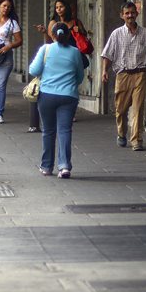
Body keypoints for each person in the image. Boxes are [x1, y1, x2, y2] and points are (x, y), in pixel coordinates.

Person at [29, 23, 88, 177]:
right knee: (64, 130)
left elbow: (33, 70)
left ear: (52, 35)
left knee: (48, 131)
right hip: (68, 96)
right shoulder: (75, 52)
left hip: (46, 95)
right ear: (68, 36)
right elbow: (80, 77)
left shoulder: (45, 49)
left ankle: (47, 167)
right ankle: (64, 166)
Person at [100, 1, 146, 151]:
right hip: (123, 75)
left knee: (138, 109)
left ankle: (136, 140)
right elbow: (107, 55)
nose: (130, 15)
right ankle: (121, 133)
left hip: (140, 74)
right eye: (127, 13)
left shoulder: (144, 33)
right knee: (121, 109)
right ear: (122, 16)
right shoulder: (116, 34)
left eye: (132, 12)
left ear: (137, 14)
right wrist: (104, 71)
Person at [29, 0, 91, 133]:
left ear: (66, 8)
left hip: (74, 56)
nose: (59, 9)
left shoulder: (75, 22)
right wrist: (45, 32)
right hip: (58, 58)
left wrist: (77, 31)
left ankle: (69, 110)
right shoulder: (53, 23)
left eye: (61, 7)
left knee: (73, 82)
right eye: (57, 7)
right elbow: (50, 42)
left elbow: (84, 37)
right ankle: (66, 107)